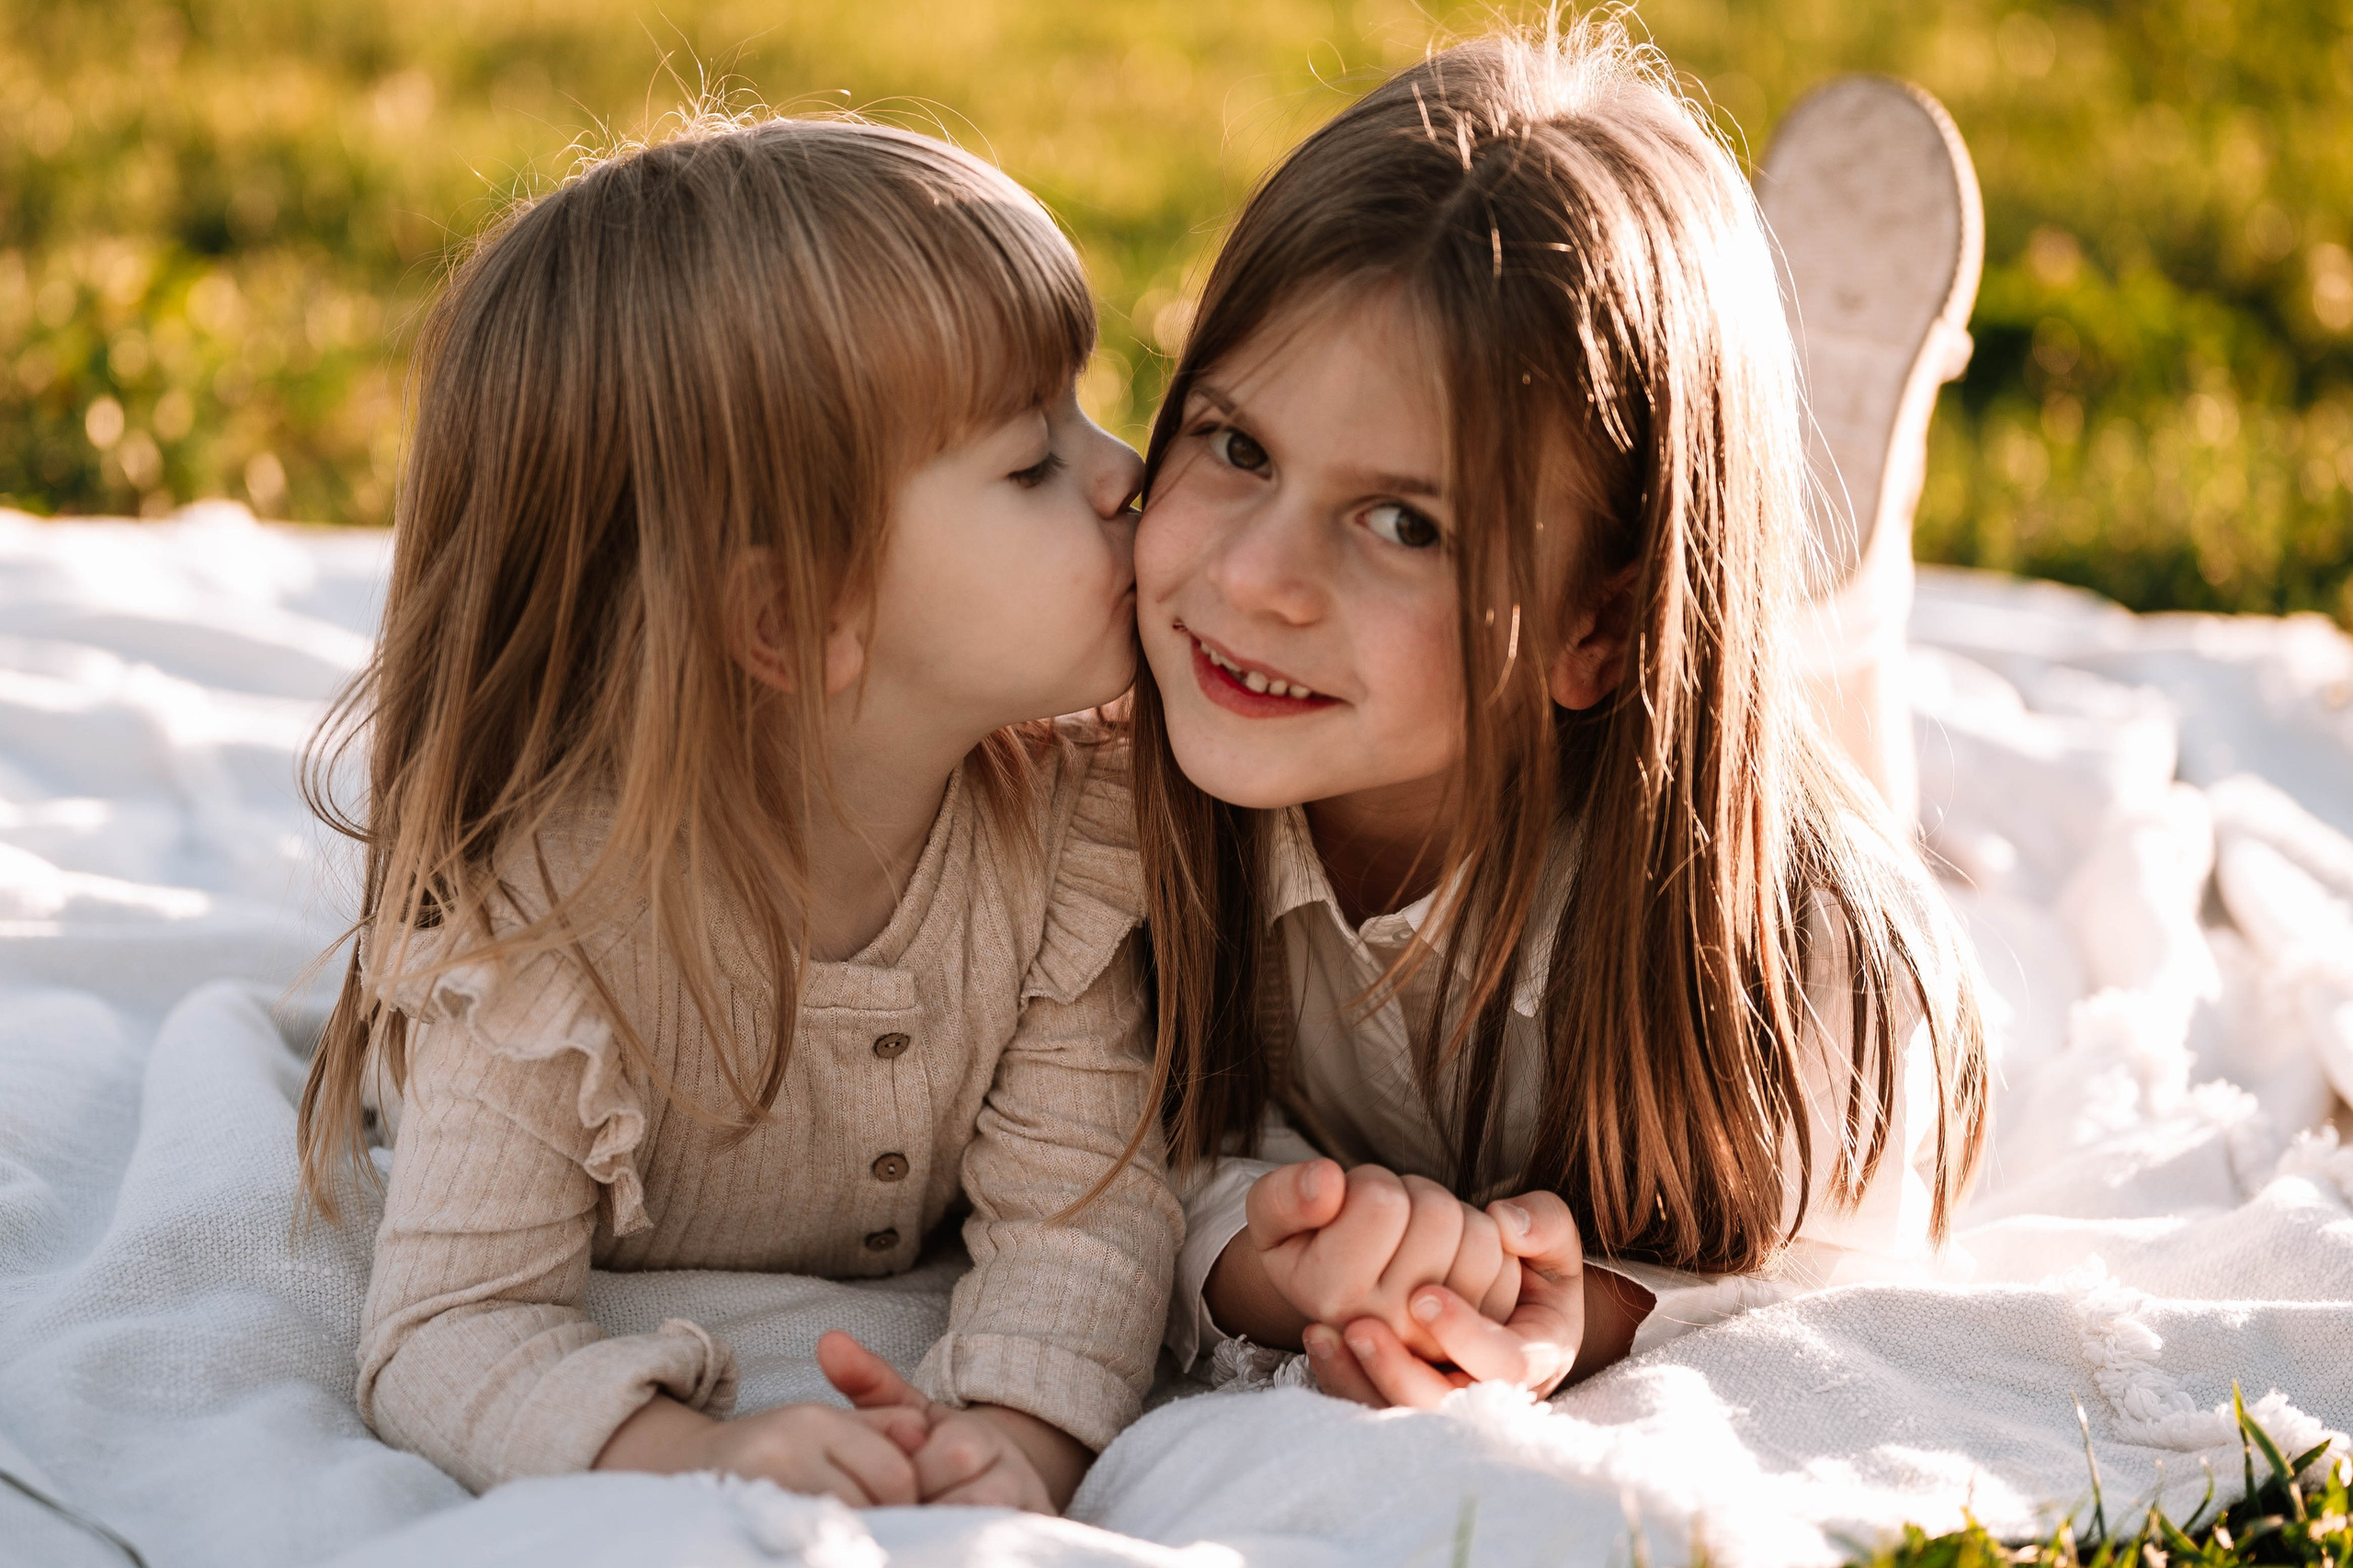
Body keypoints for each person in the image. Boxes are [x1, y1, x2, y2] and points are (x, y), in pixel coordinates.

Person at [294, 111, 1179, 1511]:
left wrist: (1019, 1431)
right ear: (789, 616)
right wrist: (698, 1453)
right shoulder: (548, 933)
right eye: (1031, 461)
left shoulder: (1072, 838)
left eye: (1086, 407)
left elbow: (1088, 1209)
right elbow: (448, 1332)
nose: (1127, 465)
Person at [1128, 17, 1990, 1406]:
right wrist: (1260, 1261)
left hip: (1716, 779)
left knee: (1818, 704)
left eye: (1403, 522)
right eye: (1238, 446)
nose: (1248, 576)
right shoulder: (1116, 782)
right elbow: (1084, 1131)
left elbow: (1857, 1235)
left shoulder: (1800, 948)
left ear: (1596, 623)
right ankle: (1775, 467)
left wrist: (1587, 1310)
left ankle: (1827, 539)